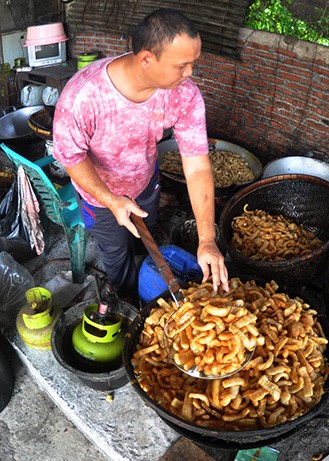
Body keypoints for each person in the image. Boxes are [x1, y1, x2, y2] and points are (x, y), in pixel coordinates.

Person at [52, 8, 228, 302]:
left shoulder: (184, 95)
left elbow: (197, 166)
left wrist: (207, 240)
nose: (190, 74)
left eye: (193, 64)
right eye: (182, 66)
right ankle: (126, 299)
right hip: (101, 198)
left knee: (144, 234)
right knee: (116, 254)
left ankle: (140, 263)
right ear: (147, 58)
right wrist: (111, 199)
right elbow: (71, 157)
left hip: (146, 183)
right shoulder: (84, 95)